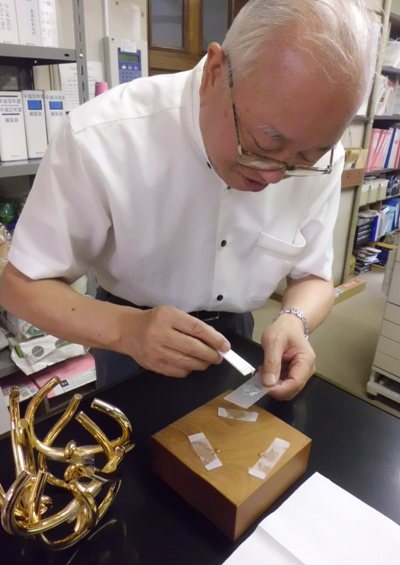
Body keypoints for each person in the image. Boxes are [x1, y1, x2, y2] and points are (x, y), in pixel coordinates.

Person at [0, 0, 374, 398]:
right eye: (264, 146)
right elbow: (21, 285)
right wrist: (126, 330)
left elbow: (314, 276)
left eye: (306, 158)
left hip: (236, 335)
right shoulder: (102, 135)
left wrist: (295, 320)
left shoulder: (322, 155)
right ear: (215, 73)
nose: (274, 175)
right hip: (128, 334)